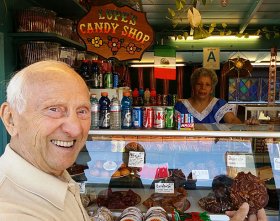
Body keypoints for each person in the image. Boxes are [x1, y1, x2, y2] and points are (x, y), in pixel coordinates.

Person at [0, 60, 91, 220]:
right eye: (54, 109)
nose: (76, 129)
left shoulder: (52, 172)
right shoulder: (10, 211)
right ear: (10, 119)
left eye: (82, 111)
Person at [175, 67, 256, 124]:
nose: (203, 88)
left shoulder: (219, 105)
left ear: (212, 89)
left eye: (207, 85)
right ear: (193, 86)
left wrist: (247, 124)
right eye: (199, 84)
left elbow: (232, 120)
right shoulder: (181, 107)